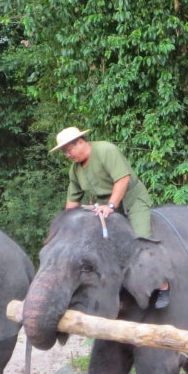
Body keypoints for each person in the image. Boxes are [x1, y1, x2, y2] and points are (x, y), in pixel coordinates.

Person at [51, 126, 170, 308]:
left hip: (131, 199)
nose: (67, 155)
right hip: (104, 205)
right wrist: (65, 229)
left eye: (69, 150)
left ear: (81, 142)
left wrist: (112, 206)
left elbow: (122, 179)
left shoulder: (105, 150)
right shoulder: (75, 170)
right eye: (64, 152)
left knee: (140, 239)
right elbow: (72, 203)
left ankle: (162, 286)